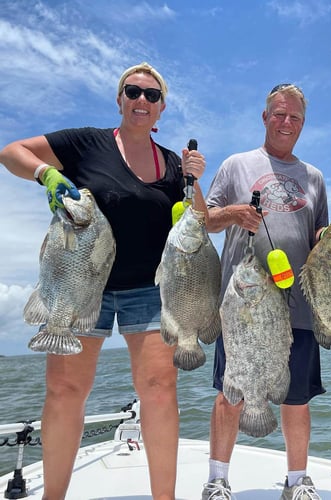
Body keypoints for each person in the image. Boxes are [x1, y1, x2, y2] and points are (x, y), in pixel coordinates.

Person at [0, 62, 208, 500]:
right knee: (65, 389)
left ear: (162, 108)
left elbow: (197, 220)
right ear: (119, 99)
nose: (141, 101)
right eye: (133, 92)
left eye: (152, 96)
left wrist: (194, 179)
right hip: (79, 283)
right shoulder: (86, 143)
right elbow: (11, 152)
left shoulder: (172, 163)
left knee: (158, 388)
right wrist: (46, 174)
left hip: (150, 289)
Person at [201, 83, 328, 500]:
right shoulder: (238, 164)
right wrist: (233, 212)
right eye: (279, 114)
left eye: (294, 117)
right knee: (231, 390)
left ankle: (297, 482)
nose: (285, 122)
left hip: (298, 306)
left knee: (296, 397)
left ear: (303, 124)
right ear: (265, 117)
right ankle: (217, 480)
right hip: (243, 306)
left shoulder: (314, 177)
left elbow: (318, 235)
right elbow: (204, 220)